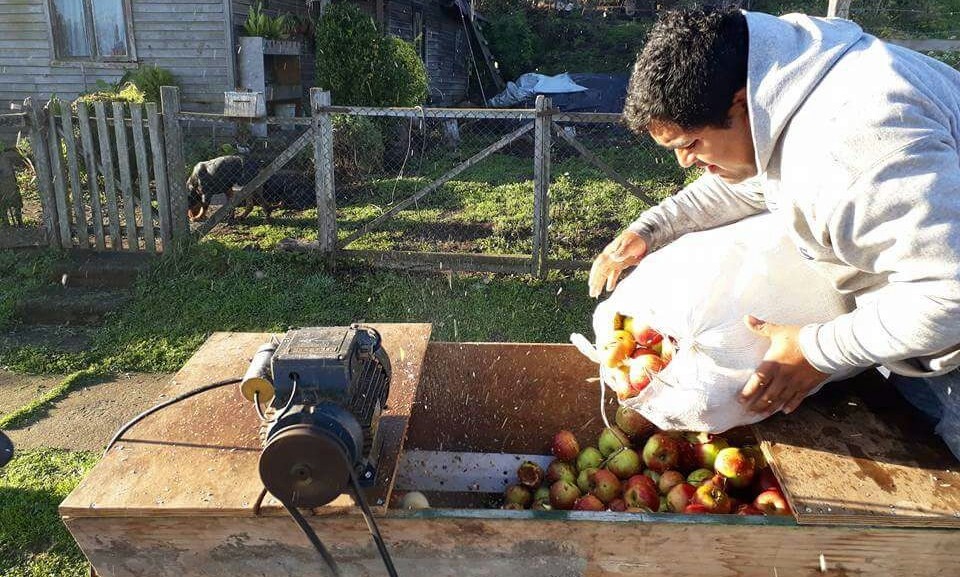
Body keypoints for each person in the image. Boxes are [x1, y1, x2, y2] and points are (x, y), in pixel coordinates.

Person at [589, 8, 960, 458]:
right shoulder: (785, 80)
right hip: (921, 337)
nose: (685, 163)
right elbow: (757, 180)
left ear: (741, 103)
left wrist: (818, 350)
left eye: (690, 145)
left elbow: (950, 295)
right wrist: (652, 227)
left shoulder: (859, 153)